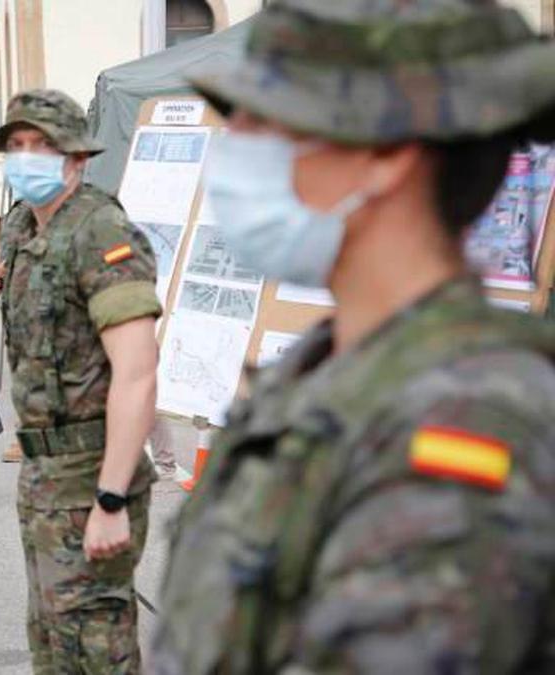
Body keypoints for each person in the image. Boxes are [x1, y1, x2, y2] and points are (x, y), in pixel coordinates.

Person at [148, 1, 555, 672]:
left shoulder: (460, 422)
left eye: (265, 117)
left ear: (386, 154)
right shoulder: (330, 367)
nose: (234, 139)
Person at [0, 89, 162, 673]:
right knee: (54, 646)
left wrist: (111, 497)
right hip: (43, 477)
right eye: (17, 146)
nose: (27, 157)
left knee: (97, 650)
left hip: (91, 478)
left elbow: (137, 373)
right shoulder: (24, 228)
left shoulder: (101, 231)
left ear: (77, 159)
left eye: (43, 146)